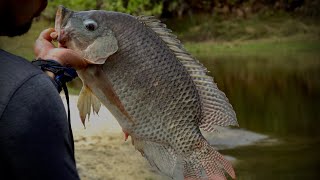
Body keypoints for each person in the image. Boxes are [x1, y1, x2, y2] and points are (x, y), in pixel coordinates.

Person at [0, 0, 88, 179]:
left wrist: (50, 68)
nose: (43, 6)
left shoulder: (20, 89)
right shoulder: (28, 93)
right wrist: (35, 87)